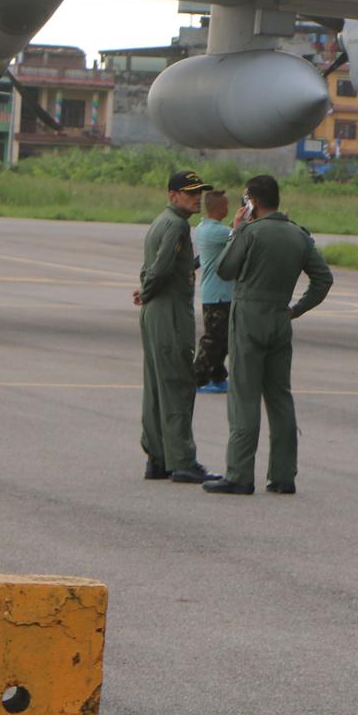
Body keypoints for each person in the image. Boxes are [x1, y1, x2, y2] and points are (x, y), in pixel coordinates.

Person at [204, 175, 333, 495]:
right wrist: (297, 309)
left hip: (249, 317)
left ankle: (240, 473)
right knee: (279, 397)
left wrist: (236, 231)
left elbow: (225, 269)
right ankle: (283, 474)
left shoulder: (250, 233)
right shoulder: (298, 235)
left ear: (252, 203)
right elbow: (323, 279)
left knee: (244, 396)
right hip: (279, 316)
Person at [135, 170, 216, 483]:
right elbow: (162, 267)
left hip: (156, 311)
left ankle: (157, 457)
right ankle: (182, 460)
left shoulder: (162, 221)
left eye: (198, 192)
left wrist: (146, 289)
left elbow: (155, 267)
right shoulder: (178, 225)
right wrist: (146, 290)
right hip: (169, 314)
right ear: (173, 195)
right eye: (189, 192)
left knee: (156, 387)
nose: (197, 197)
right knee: (178, 386)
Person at [192, 189, 234, 394]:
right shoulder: (217, 232)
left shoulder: (203, 227)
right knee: (214, 340)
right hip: (219, 294)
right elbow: (243, 237)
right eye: (226, 205)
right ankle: (197, 378)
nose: (228, 208)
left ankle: (217, 376)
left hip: (218, 292)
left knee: (222, 339)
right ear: (219, 208)